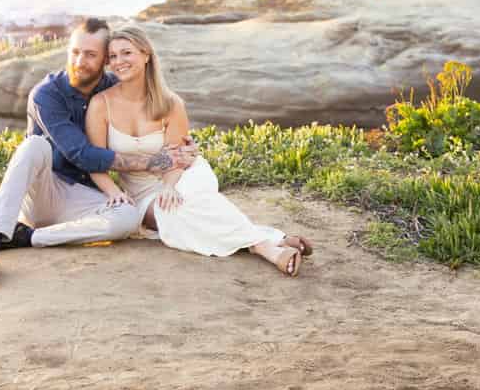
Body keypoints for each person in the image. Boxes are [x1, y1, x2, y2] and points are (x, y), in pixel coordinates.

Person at [0, 17, 199, 283]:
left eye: (90, 55)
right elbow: (82, 154)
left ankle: (27, 236)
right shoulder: (46, 94)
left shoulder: (114, 90)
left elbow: (154, 115)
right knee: (35, 145)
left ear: (105, 61)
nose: (80, 61)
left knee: (127, 217)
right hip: (45, 188)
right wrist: (154, 161)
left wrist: (184, 146)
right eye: (75, 52)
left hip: (83, 195)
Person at [85, 25, 314, 277]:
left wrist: (171, 185)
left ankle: (266, 250)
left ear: (146, 54)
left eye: (126, 53)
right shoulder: (100, 104)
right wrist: (114, 192)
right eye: (113, 56)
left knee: (184, 203)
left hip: (183, 174)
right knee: (174, 213)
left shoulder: (171, 104)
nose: (119, 62)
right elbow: (93, 160)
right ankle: (273, 238)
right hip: (143, 193)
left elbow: (178, 158)